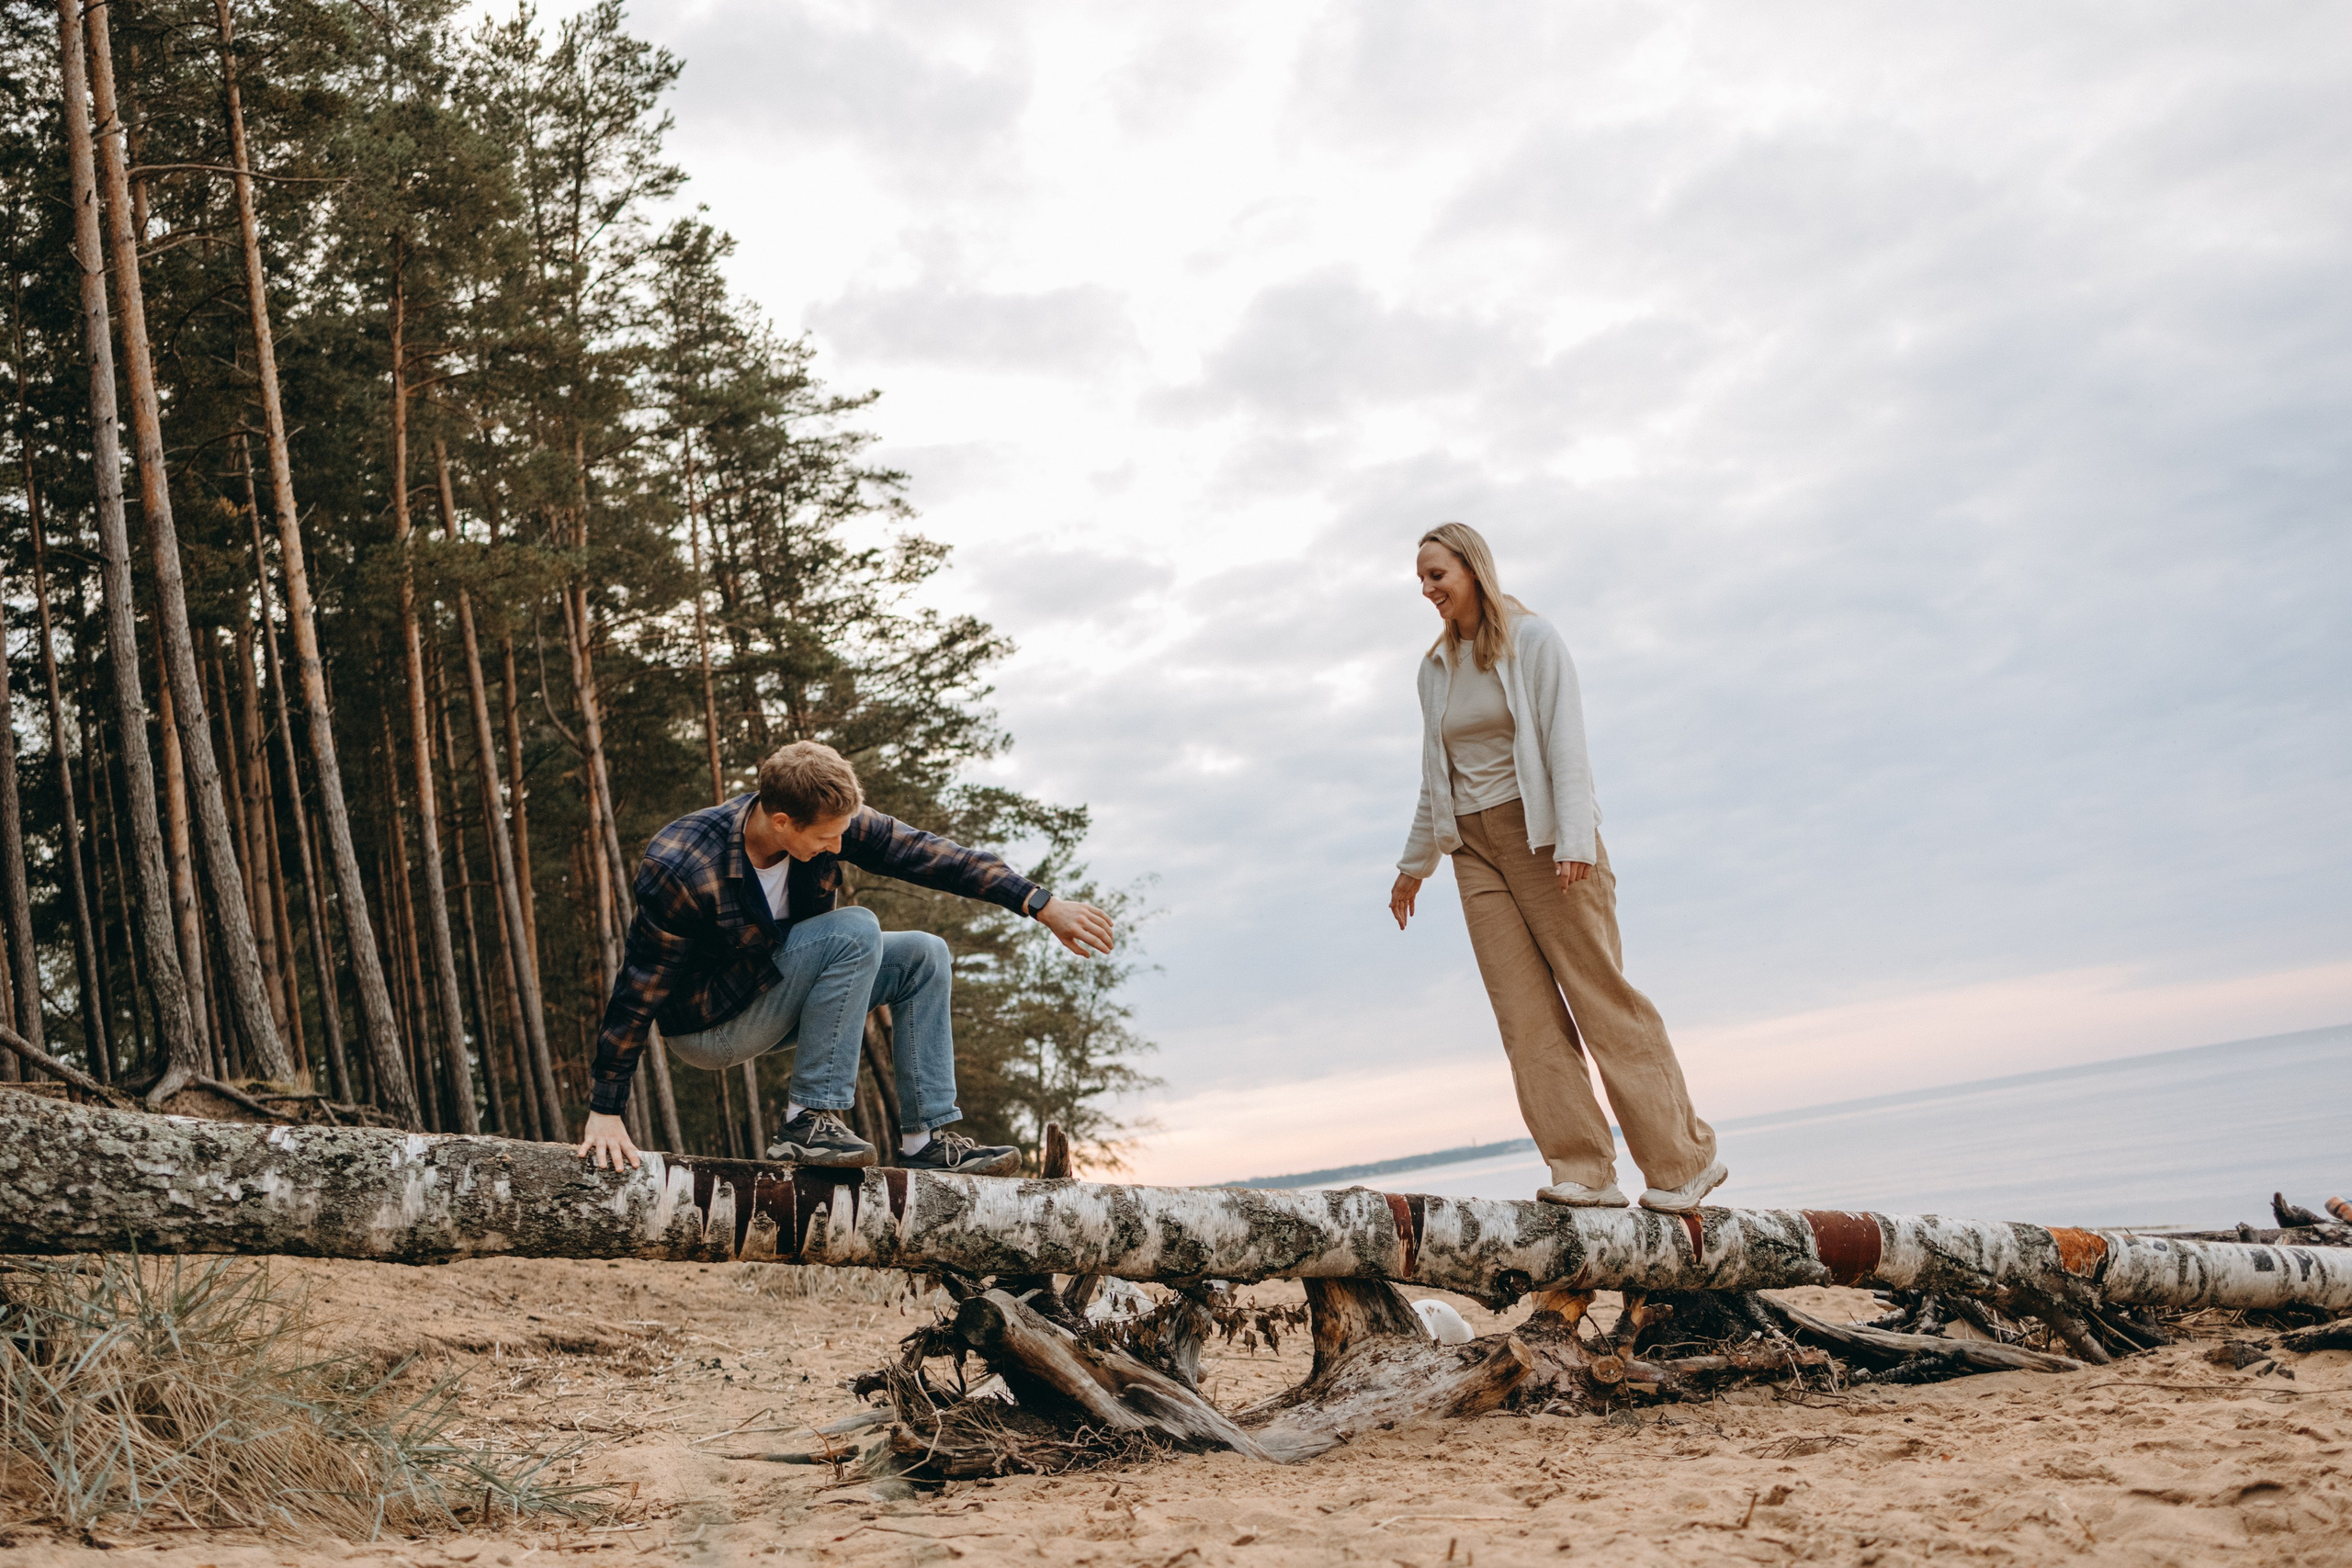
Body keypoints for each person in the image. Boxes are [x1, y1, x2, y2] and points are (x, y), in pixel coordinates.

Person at [575, 740, 1116, 1175]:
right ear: (782, 821)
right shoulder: (683, 863)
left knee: (924, 954)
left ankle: (925, 1139)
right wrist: (606, 1106)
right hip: (710, 1028)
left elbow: (928, 853)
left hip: (776, 989)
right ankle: (807, 1121)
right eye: (827, 838)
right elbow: (639, 986)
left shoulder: (828, 819)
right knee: (855, 928)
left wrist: (1038, 902)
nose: (838, 847)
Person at [1387, 524, 1726, 1213]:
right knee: (1524, 1015)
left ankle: (1683, 1162)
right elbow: (1435, 775)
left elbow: (1566, 741)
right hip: (1473, 850)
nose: (1427, 589)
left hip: (1544, 838)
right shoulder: (1435, 668)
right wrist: (1412, 866)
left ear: (1473, 569)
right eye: (1420, 579)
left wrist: (1574, 838)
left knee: (1598, 995)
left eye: (1436, 575)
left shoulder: (1533, 640)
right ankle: (1583, 1169)